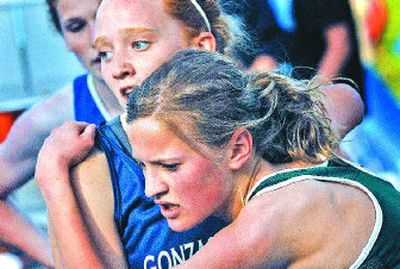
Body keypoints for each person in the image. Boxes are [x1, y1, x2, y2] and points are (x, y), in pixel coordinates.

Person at [36, 0, 364, 267]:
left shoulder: (254, 118)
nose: (117, 67)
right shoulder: (99, 162)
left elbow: (346, 100)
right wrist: (54, 183)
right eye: (105, 52)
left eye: (138, 44)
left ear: (201, 46)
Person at [126, 49, 400, 268]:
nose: (152, 189)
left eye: (170, 166)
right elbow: (348, 98)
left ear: (237, 149)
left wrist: (80, 187)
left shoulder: (265, 223)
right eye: (143, 165)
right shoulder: (299, 149)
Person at [0, 0, 122, 266]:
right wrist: (58, 257)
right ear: (64, 38)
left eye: (105, 16)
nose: (96, 38)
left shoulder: (195, 88)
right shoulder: (54, 115)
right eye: (77, 26)